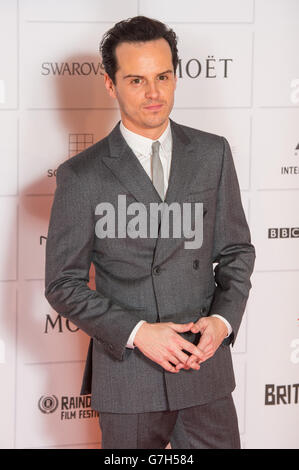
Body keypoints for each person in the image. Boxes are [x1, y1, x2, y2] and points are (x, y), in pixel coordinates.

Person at [45, 16, 255, 449]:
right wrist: (139, 332)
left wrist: (222, 320)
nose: (154, 93)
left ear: (176, 75)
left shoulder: (213, 153)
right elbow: (62, 285)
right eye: (137, 80)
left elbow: (236, 250)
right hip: (129, 377)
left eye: (163, 76)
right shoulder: (81, 176)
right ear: (110, 83)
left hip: (204, 369)